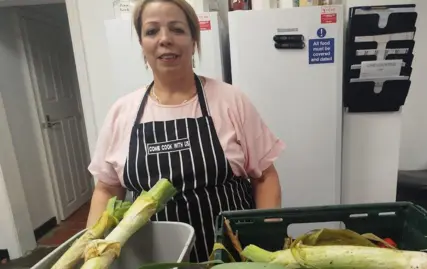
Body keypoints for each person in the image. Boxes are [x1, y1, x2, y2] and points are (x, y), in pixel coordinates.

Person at [86, 0, 285, 262]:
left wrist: (265, 241)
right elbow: (107, 189)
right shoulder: (123, 112)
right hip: (154, 260)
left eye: (177, 29)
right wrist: (92, 253)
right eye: (152, 31)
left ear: (194, 40)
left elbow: (265, 177)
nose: (165, 39)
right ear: (141, 43)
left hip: (232, 255)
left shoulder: (229, 100)